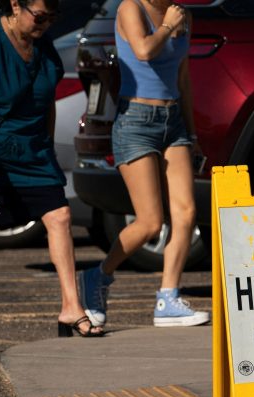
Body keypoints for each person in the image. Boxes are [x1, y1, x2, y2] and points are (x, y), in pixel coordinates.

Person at [0, 0, 103, 356]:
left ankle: (71, 307)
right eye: (40, 16)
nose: (45, 24)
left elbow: (47, 100)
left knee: (60, 215)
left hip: (32, 154)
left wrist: (46, 145)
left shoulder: (41, 45)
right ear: (15, 4)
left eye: (52, 17)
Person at [77, 0, 209, 328]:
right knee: (150, 222)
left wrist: (192, 134)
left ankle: (168, 298)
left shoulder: (183, 15)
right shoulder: (129, 9)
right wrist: (167, 27)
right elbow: (143, 51)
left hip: (173, 120)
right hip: (136, 121)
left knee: (186, 213)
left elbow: (183, 79)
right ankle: (98, 276)